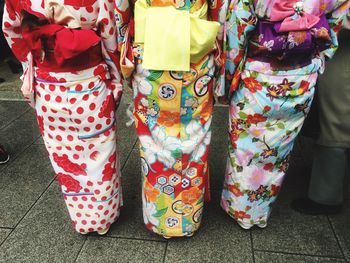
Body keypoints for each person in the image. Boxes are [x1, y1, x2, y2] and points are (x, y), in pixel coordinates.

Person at [221, 0, 350, 229]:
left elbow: (237, 26)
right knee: (278, 149)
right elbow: (338, 16)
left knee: (246, 145)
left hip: (259, 73)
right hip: (302, 74)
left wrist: (231, 74)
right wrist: (323, 55)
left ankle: (240, 208)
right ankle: (258, 211)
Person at [3, 0, 123, 235]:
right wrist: (115, 83)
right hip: (89, 86)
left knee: (65, 158)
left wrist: (30, 69)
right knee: (100, 153)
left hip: (48, 88)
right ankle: (105, 216)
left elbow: (11, 31)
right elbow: (110, 37)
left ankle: (84, 219)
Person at [114, 0, 228, 237]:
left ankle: (159, 219)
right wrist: (220, 58)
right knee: (194, 136)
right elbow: (221, 10)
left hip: (150, 54)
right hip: (196, 53)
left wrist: (125, 55)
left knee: (153, 140)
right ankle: (188, 219)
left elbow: (120, 11)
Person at [292, 15, 350, 215]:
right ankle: (324, 176)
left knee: (337, 117)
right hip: (333, 40)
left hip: (343, 44)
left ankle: (326, 196)